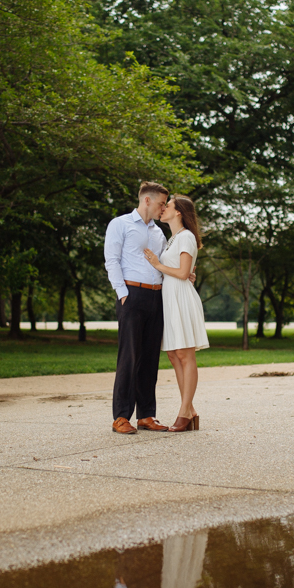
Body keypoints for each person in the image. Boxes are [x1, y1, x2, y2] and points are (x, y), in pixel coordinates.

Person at [104, 182, 172, 434]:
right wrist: (123, 294)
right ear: (147, 200)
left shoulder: (158, 233)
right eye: (161, 203)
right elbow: (111, 260)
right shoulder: (120, 224)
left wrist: (186, 273)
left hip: (156, 297)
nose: (163, 208)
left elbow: (165, 262)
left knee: (150, 358)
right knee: (129, 357)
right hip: (131, 295)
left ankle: (146, 415)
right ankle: (121, 416)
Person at [142, 195, 208, 432]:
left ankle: (184, 412)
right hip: (168, 299)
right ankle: (190, 411)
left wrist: (157, 264)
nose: (162, 209)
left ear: (178, 212)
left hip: (181, 298)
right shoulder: (173, 239)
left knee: (184, 353)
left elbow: (181, 273)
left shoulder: (187, 236)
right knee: (172, 354)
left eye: (167, 206)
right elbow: (184, 271)